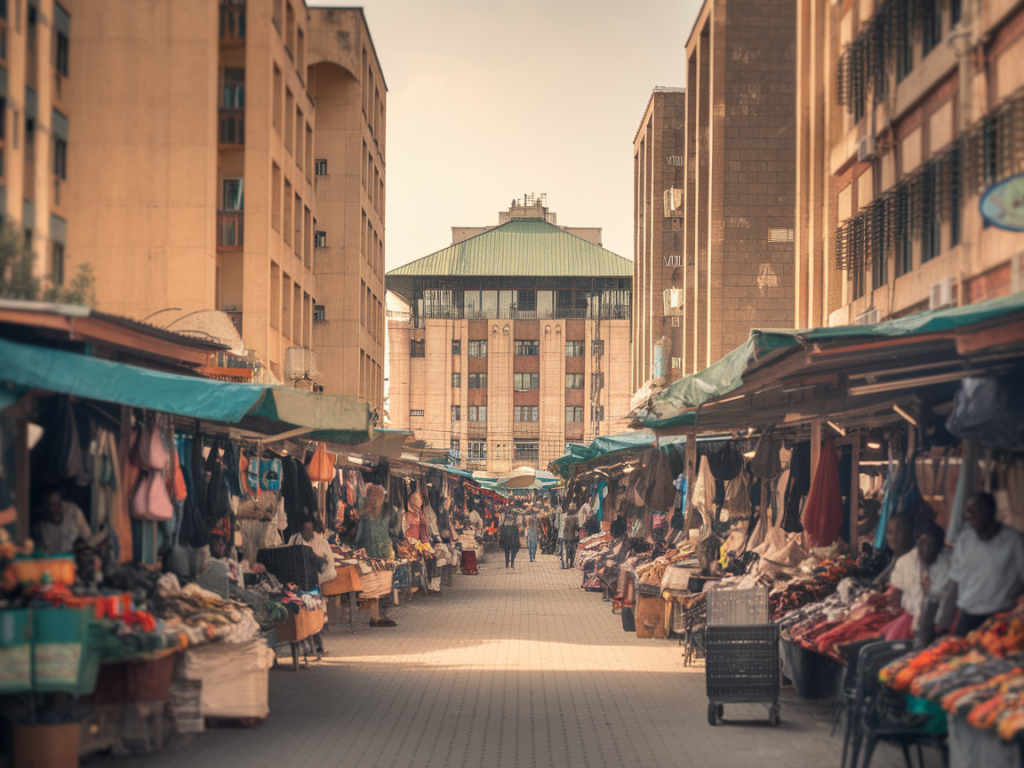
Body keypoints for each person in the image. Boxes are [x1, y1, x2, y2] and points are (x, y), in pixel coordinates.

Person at [945, 492, 1024, 636]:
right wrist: (943, 621)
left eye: (975, 510)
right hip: (968, 617)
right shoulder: (965, 541)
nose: (969, 516)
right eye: (968, 511)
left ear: (991, 511)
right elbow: (954, 584)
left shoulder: (1014, 541)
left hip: (1001, 619)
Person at [887, 522, 952, 641]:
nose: (927, 549)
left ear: (940, 546)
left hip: (938, 621)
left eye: (932, 545)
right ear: (917, 543)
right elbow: (895, 594)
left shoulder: (948, 563)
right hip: (909, 617)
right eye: (922, 543)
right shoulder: (905, 562)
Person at [34, 489, 92, 554]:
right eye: (50, 505)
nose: (54, 509)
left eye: (57, 504)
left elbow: (87, 536)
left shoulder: (73, 512)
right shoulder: (41, 526)